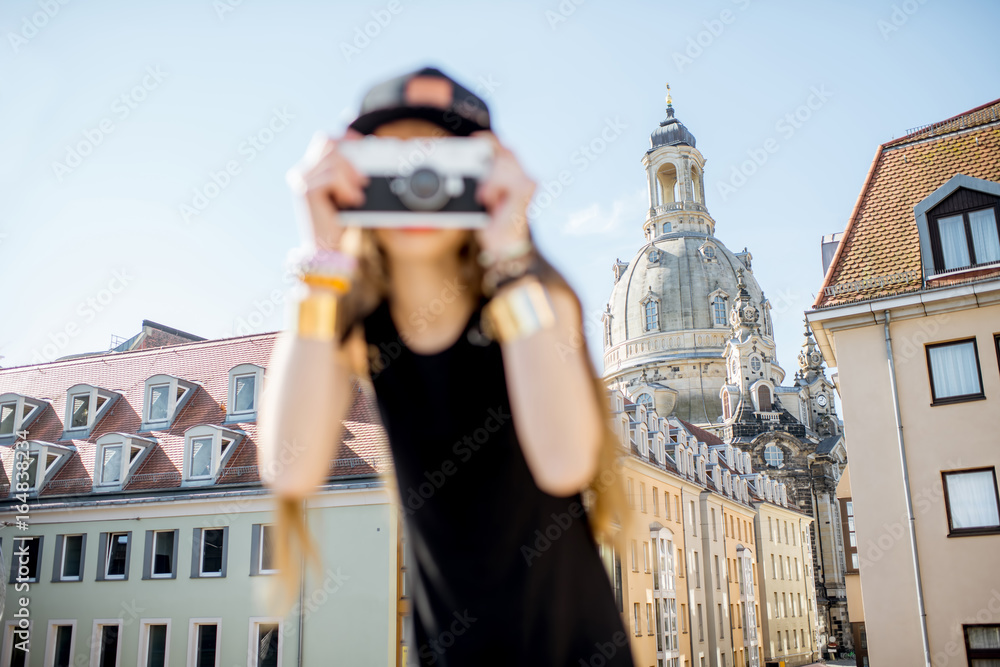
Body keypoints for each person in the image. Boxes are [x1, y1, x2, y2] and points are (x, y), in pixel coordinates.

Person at [258, 66, 634, 666]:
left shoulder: (532, 296)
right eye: (392, 159)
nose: (418, 178)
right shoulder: (353, 319)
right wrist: (322, 260)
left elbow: (565, 465)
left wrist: (510, 254)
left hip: (573, 646)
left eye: (440, 157)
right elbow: (288, 467)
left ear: (486, 173)